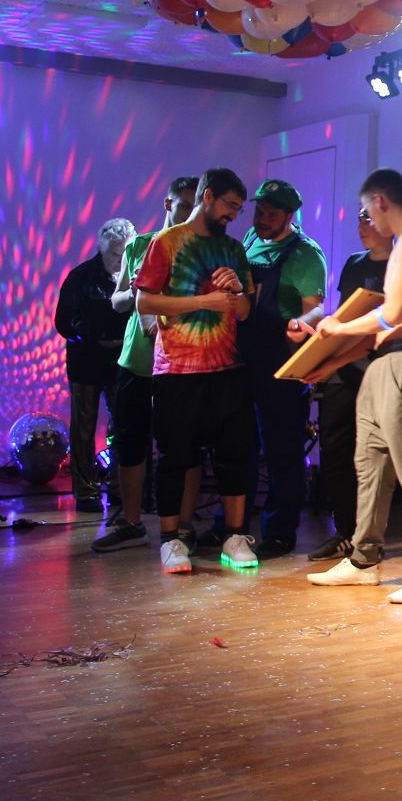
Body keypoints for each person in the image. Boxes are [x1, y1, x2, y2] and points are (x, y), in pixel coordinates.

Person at [306, 169, 402, 606]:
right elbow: (382, 327)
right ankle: (363, 558)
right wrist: (329, 361)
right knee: (369, 461)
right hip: (383, 361)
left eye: (367, 211)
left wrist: (336, 326)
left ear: (380, 200)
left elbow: (392, 314)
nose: (368, 219)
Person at [134, 167, 258, 574]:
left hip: (227, 368)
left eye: (238, 209)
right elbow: (145, 303)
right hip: (177, 370)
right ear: (207, 197)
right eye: (229, 205)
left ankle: (234, 537)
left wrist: (236, 291)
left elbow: (245, 311)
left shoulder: (234, 249)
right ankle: (171, 540)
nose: (233, 215)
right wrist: (203, 302)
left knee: (234, 455)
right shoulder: (166, 242)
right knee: (175, 457)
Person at [92, 176, 196, 553]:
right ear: (168, 204)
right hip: (136, 361)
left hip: (181, 364)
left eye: (195, 207)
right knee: (130, 443)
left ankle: (183, 527)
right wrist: (134, 291)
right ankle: (132, 523)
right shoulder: (139, 245)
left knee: (183, 447)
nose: (190, 214)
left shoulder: (201, 251)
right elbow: (117, 301)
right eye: (184, 206)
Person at [239, 179, 328, 560]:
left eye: (271, 214)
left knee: (282, 452)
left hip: (281, 365)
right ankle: (233, 527)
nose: (261, 219)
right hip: (243, 359)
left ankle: (279, 532)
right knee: (239, 445)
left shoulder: (306, 253)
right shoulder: (249, 240)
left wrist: (299, 324)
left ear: (290, 216)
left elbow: (317, 308)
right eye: (258, 211)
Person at [303, 206, 393, 563]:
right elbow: (343, 319)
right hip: (346, 370)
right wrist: (318, 352)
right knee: (335, 449)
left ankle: (371, 537)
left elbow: (385, 326)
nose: (361, 226)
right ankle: (345, 532)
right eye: (359, 218)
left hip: (383, 369)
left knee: (374, 457)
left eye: (368, 218)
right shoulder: (355, 263)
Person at [54, 218, 135, 513]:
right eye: (115, 253)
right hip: (86, 361)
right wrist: (93, 335)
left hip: (120, 360)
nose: (120, 260)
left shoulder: (132, 276)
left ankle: (119, 486)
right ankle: (86, 492)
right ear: (102, 249)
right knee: (84, 428)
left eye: (125, 253)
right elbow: (64, 321)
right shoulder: (81, 277)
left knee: (122, 425)